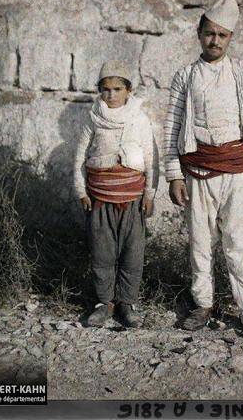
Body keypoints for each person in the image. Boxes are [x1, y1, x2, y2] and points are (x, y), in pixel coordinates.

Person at [163, 0, 243, 336]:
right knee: (200, 244)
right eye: (209, 34)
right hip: (198, 173)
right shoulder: (186, 76)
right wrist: (174, 174)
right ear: (199, 34)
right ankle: (203, 304)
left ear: (231, 37)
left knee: (242, 244)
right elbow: (172, 126)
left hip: (237, 171)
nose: (215, 41)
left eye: (222, 35)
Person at [74, 61, 158, 328]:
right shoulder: (93, 118)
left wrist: (149, 194)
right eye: (106, 89)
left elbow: (150, 157)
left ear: (128, 90)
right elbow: (79, 157)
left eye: (117, 89)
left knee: (133, 254)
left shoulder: (139, 119)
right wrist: (81, 190)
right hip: (100, 199)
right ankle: (104, 303)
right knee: (102, 253)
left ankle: (127, 303)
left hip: (132, 199)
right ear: (99, 91)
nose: (111, 95)